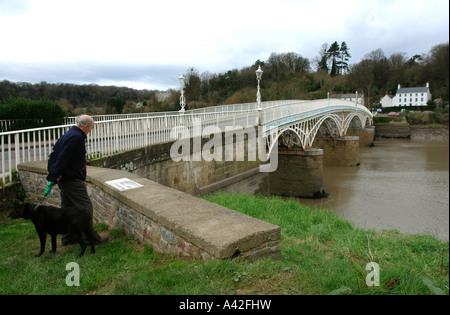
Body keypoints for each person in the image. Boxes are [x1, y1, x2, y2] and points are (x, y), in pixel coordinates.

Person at [46, 114, 107, 246]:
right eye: (90, 128)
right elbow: (63, 158)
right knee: (85, 207)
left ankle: (68, 238)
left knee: (67, 209)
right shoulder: (77, 137)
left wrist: (53, 173)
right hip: (72, 179)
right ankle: (90, 238)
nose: (90, 131)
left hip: (65, 179)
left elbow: (54, 155)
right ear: (85, 126)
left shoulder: (68, 134)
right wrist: (54, 174)